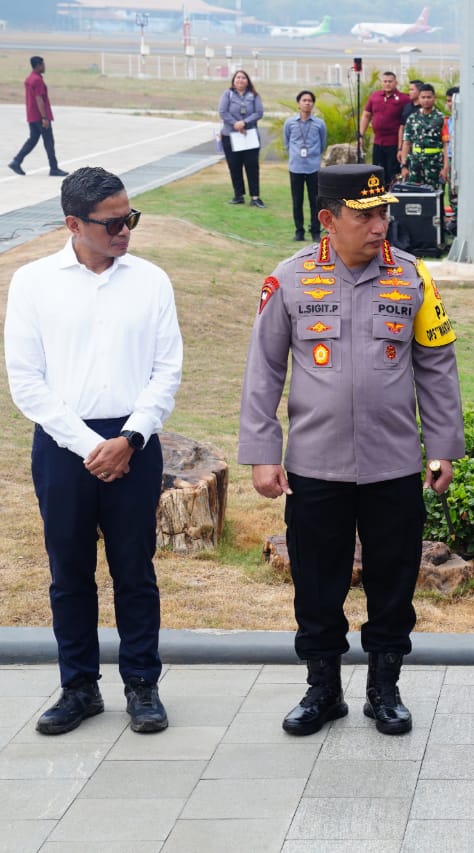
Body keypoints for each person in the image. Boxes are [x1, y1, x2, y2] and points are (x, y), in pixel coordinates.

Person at [238, 164, 464, 738]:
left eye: (384, 212)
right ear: (328, 218)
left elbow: (437, 368)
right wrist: (264, 451)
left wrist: (442, 447)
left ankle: (384, 688)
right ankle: (323, 688)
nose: (380, 224)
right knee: (316, 581)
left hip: (394, 465)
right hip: (316, 465)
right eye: (365, 215)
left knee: (393, 580)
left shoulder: (413, 277)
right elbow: (262, 372)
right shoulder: (289, 280)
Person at [5, 166, 183, 736]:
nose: (126, 230)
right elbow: (26, 381)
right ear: (73, 224)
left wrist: (128, 439)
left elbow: (167, 370)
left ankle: (142, 685)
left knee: (135, 570)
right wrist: (91, 447)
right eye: (113, 223)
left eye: (130, 217)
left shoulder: (151, 280)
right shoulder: (33, 283)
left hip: (135, 443)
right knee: (70, 573)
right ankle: (79, 687)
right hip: (64, 445)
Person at [8, 56, 67, 177]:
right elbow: (39, 99)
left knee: (33, 139)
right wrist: (44, 118)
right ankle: (54, 168)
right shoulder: (37, 80)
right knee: (49, 141)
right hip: (40, 116)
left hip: (32, 115)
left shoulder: (30, 78)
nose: (44, 66)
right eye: (43, 64)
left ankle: (17, 161)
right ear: (38, 65)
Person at [283, 90, 327, 242]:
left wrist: (313, 156)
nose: (307, 103)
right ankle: (299, 231)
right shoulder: (290, 123)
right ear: (298, 103)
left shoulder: (319, 124)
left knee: (315, 200)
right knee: (297, 200)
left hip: (313, 167)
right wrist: (295, 154)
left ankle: (315, 231)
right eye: (304, 100)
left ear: (313, 104)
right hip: (296, 167)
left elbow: (322, 144)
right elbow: (287, 142)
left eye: (310, 100)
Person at [218, 69, 265, 207]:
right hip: (230, 136)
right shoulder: (228, 94)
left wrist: (244, 123)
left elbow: (259, 112)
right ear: (233, 80)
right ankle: (238, 195)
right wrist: (235, 124)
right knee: (234, 166)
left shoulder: (254, 95)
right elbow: (223, 112)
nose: (240, 80)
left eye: (243, 78)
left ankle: (255, 197)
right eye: (238, 78)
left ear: (247, 80)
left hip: (249, 136)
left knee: (252, 166)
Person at [360, 71, 410, 185]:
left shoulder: (403, 99)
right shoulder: (375, 96)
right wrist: (361, 134)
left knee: (392, 176)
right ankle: (379, 201)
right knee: (377, 174)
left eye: (390, 81)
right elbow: (366, 115)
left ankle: (392, 200)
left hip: (394, 145)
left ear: (396, 82)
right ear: (381, 83)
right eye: (385, 81)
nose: (387, 84)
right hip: (378, 143)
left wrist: (402, 147)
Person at [400, 83, 448, 190]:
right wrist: (404, 166)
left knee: (435, 197)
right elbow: (407, 143)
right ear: (419, 98)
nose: (426, 100)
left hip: (435, 164)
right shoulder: (412, 118)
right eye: (423, 97)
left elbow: (446, 145)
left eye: (429, 97)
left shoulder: (441, 118)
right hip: (415, 164)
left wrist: (445, 168)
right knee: (415, 195)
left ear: (434, 98)